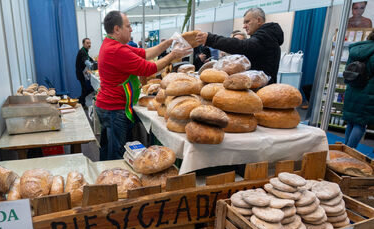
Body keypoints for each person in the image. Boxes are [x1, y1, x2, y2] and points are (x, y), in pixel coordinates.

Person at [96, 11, 190, 160]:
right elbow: (148, 68)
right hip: (114, 109)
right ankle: (115, 181)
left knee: (109, 149)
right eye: (128, 26)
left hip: (109, 107)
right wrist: (173, 55)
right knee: (116, 154)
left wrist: (169, 42)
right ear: (117, 29)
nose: (131, 29)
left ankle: (107, 178)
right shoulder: (116, 50)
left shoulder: (113, 44)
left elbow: (145, 53)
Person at [196, 7, 284, 84]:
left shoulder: (265, 37)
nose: (244, 26)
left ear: (259, 20)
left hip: (262, 91)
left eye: (247, 22)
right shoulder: (267, 36)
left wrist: (211, 39)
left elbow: (242, 46)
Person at [343, 28, 374, 148]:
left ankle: (344, 149)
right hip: (368, 93)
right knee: (361, 124)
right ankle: (349, 152)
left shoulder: (355, 49)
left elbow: (348, 70)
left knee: (351, 122)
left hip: (352, 90)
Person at [75, 38, 95, 108]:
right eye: (87, 43)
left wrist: (96, 62)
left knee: (87, 88)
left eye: (90, 43)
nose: (89, 44)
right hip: (80, 73)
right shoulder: (82, 52)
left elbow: (90, 59)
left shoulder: (85, 51)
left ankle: (80, 101)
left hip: (82, 73)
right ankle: (81, 102)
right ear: (83, 44)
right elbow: (86, 61)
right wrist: (93, 66)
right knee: (86, 88)